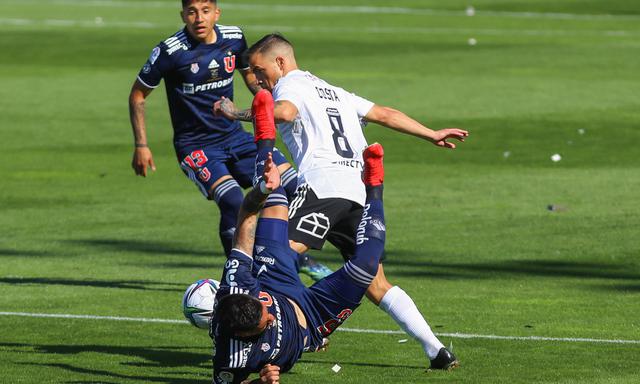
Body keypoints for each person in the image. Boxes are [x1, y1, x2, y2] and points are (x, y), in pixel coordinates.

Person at [215, 33, 467, 369]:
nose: (257, 79)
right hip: (359, 192)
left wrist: (236, 113)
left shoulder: (289, 86)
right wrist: (430, 133)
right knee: (374, 282)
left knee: (271, 256)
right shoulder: (335, 92)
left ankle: (286, 330)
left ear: (281, 62)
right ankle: (436, 350)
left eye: (260, 71)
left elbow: (285, 113)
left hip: (323, 188)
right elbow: (385, 114)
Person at [127, 1, 329, 279]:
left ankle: (296, 257)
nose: (199, 18)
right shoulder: (170, 52)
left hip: (237, 138)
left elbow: (251, 77)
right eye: (192, 11)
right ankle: (238, 275)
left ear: (217, 13)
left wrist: (276, 104)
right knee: (234, 200)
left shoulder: (234, 39)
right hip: (196, 147)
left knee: (292, 187)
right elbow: (138, 94)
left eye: (206, 10)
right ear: (182, 14)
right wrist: (142, 145)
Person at [210, 108, 389, 383]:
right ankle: (374, 188)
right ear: (241, 336)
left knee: (276, 199)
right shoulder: (231, 357)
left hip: (275, 283)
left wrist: (262, 190)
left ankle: (265, 137)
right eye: (264, 323)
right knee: (366, 266)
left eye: (263, 310)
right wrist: (260, 382)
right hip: (313, 318)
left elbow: (246, 215)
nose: (270, 317)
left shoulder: (237, 283)